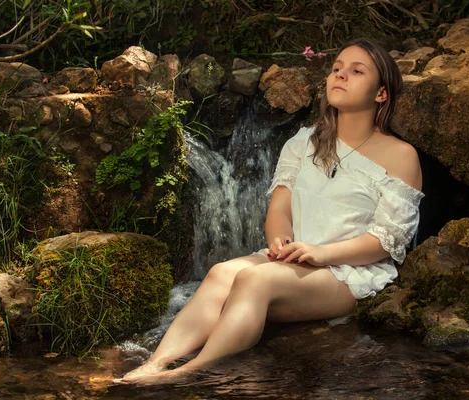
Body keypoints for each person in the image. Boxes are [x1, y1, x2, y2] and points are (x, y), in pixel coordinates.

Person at [116, 37, 424, 386]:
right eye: (336, 68)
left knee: (254, 278)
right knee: (220, 273)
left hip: (348, 273)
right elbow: (279, 208)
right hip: (296, 260)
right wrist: (280, 243)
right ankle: (157, 363)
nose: (340, 75)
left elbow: (387, 241)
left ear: (381, 94)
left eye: (356, 71)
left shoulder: (401, 156)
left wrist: (320, 253)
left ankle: (191, 372)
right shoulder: (305, 141)